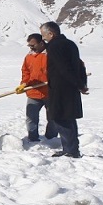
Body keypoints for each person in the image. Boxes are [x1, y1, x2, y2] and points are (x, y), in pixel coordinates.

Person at [39, 22, 88, 158]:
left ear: (51, 33)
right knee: (69, 117)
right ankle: (71, 148)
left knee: (60, 117)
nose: (44, 39)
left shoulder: (55, 46)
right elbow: (79, 65)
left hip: (61, 87)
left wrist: (79, 84)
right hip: (71, 87)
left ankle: (71, 150)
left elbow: (63, 68)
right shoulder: (70, 44)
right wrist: (81, 83)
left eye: (44, 36)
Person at [16, 33, 56, 142]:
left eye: (33, 45)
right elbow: (26, 72)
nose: (31, 47)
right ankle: (33, 139)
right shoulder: (29, 57)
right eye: (29, 46)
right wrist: (24, 83)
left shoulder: (52, 53)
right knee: (31, 118)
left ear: (41, 43)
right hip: (33, 92)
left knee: (53, 118)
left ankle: (51, 139)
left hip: (50, 93)